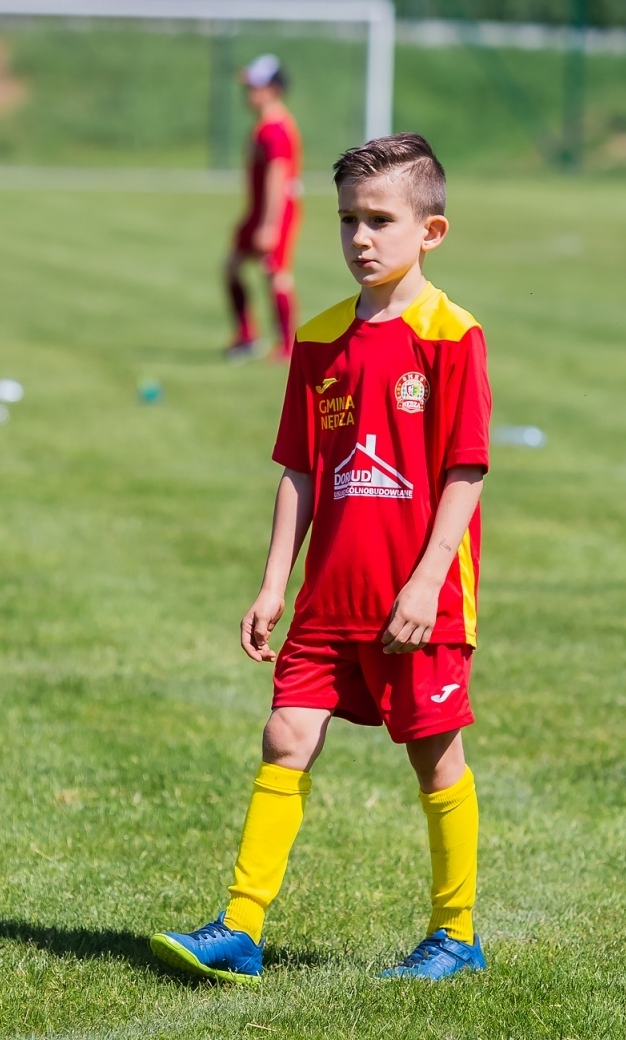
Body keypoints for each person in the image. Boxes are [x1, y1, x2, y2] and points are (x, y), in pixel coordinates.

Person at [153, 133, 493, 983]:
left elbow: (466, 470)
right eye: (347, 220)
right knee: (285, 733)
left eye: (379, 220)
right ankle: (239, 926)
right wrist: (274, 583)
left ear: (432, 232)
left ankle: (455, 933)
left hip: (419, 599)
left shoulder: (452, 335)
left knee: (434, 754)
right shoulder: (317, 340)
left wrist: (426, 581)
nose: (359, 238)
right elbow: (300, 471)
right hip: (329, 596)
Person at [225, 54, 302, 362]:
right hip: (258, 210)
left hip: (275, 211)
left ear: (273, 90)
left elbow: (277, 179)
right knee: (231, 267)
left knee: (276, 274)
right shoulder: (262, 127)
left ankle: (287, 346)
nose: (249, 93)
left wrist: (269, 225)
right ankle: (247, 336)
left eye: (255, 87)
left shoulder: (276, 130)